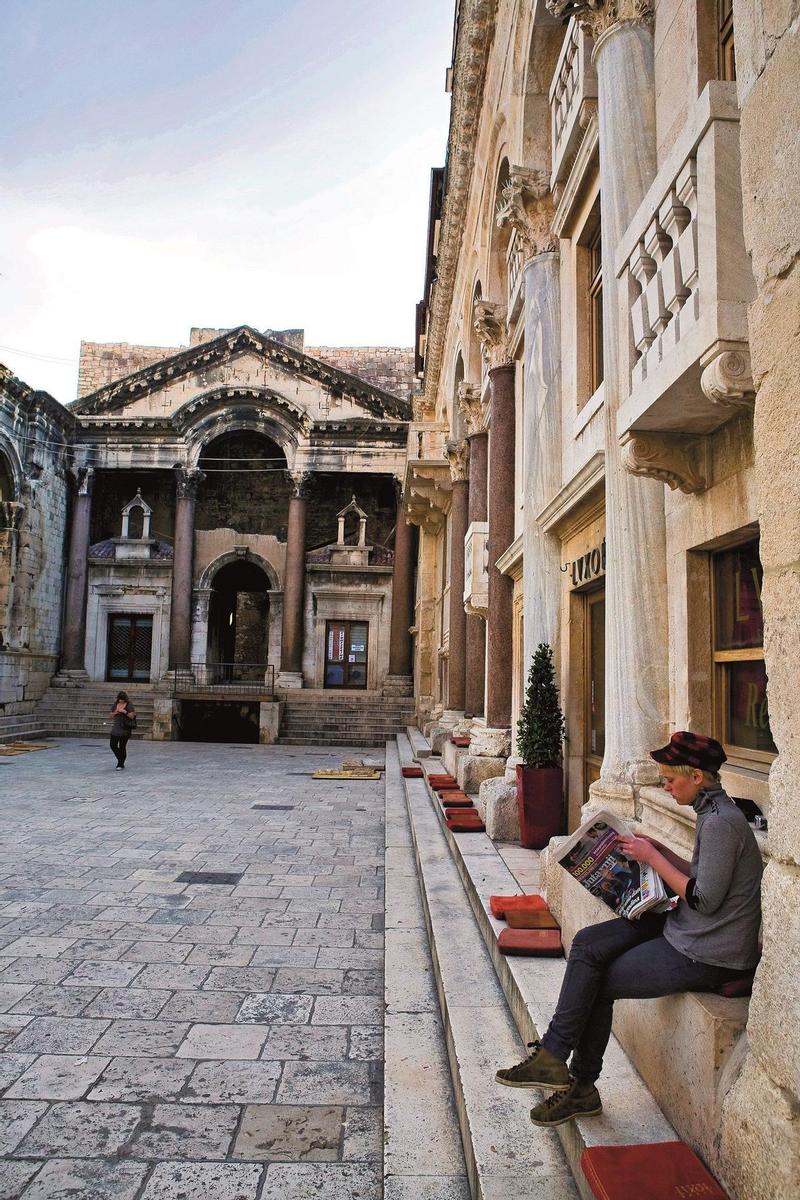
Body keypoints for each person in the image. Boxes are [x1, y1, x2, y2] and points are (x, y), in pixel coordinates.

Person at [495, 731, 763, 1127]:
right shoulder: (712, 815)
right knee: (587, 944)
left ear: (698, 777)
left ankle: (581, 1084)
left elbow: (704, 898)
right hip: (687, 927)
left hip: (707, 950)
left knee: (598, 982)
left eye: (672, 778)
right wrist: (659, 851)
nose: (666, 785)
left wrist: (652, 854)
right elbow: (703, 878)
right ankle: (553, 1056)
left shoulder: (723, 823)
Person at [109, 691, 136, 769]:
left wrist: (125, 712)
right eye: (120, 700)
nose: (121, 701)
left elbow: (132, 716)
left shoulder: (129, 705)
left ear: (125, 699)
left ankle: (120, 764)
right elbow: (110, 715)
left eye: (122, 700)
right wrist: (115, 713)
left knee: (122, 746)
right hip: (116, 728)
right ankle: (120, 759)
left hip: (125, 729)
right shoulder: (115, 704)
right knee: (113, 745)